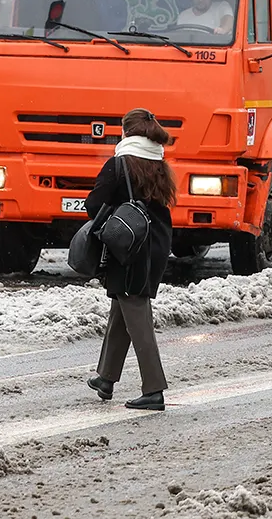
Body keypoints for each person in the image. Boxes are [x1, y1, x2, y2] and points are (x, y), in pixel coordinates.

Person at [85, 109, 175, 412]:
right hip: (156, 243)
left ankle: (154, 390)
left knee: (138, 317)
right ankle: (106, 378)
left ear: (126, 132)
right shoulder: (159, 163)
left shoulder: (119, 163)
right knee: (123, 307)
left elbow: (93, 204)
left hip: (128, 246)